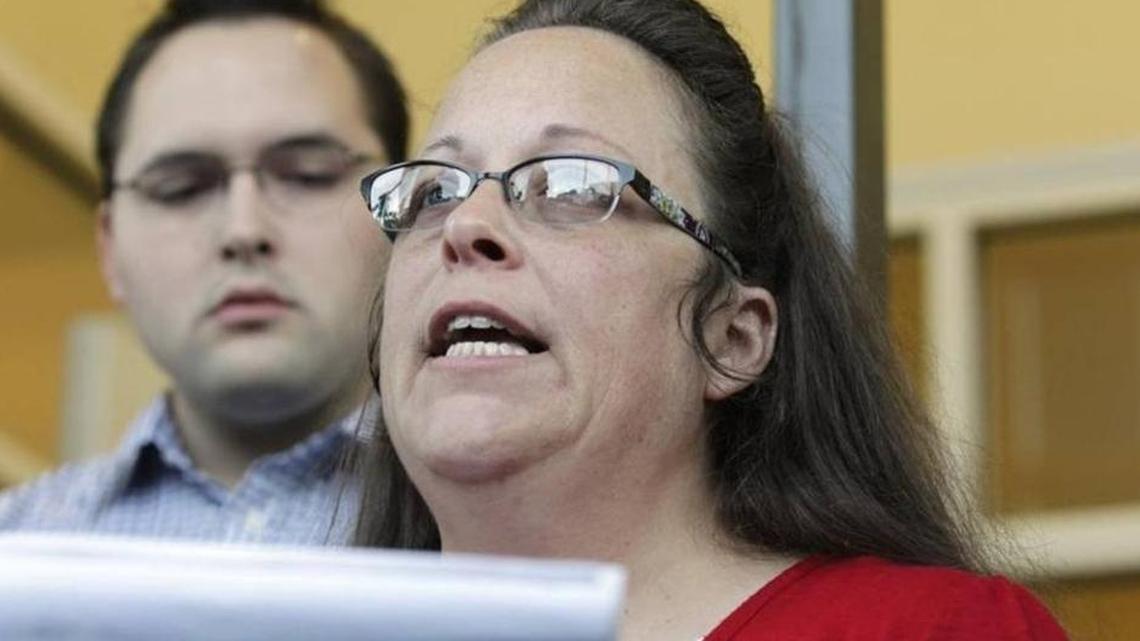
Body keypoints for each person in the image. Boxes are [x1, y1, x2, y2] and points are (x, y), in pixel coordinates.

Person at [352, 0, 1070, 638]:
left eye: (572, 183)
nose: (465, 224)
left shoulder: (934, 631)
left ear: (733, 337)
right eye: (433, 191)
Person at [0, 0, 406, 544]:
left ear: (404, 211)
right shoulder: (21, 552)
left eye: (309, 175)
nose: (243, 229)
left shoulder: (514, 533)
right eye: (181, 188)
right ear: (110, 247)